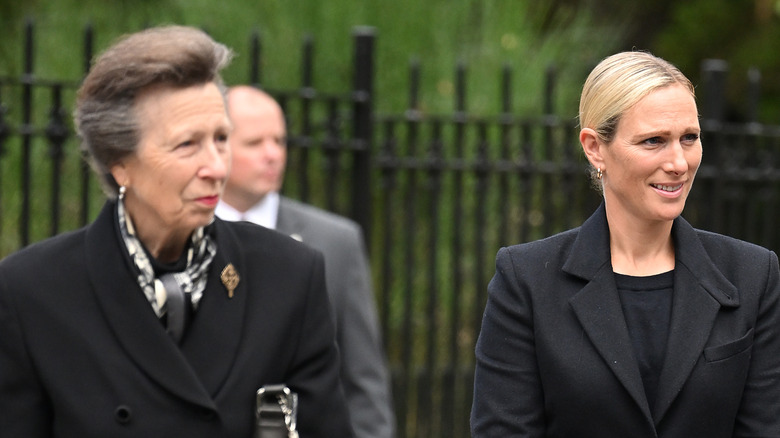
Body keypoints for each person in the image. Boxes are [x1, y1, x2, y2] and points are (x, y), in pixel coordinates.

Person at [0, 26, 353, 438]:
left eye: (221, 139)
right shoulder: (33, 292)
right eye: (187, 145)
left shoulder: (290, 276)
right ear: (120, 163)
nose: (217, 168)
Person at [471, 51, 780, 437]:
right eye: (654, 141)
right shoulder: (527, 281)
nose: (679, 162)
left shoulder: (752, 275)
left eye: (690, 138)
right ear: (595, 147)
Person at [215, 85, 395, 438]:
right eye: (255, 143)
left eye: (279, 141)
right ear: (217, 146)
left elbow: (364, 378)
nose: (273, 155)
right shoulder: (183, 235)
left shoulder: (335, 241)